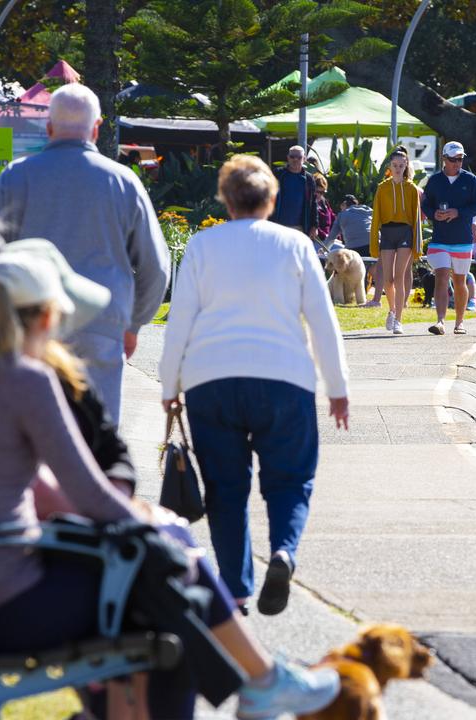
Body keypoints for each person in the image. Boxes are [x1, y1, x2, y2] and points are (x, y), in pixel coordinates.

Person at [0, 250, 341, 720]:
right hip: (14, 604)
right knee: (173, 600)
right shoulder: (27, 379)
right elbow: (89, 496)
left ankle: (264, 684)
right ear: (47, 316)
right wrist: (158, 521)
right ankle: (264, 684)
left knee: (169, 579)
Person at [160, 154, 350, 618]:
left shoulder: (203, 246)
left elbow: (179, 319)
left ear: (225, 199)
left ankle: (237, 588)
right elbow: (323, 322)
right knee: (290, 480)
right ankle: (283, 550)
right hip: (284, 379)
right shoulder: (295, 245)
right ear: (272, 198)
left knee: (226, 489)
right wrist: (337, 388)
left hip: (212, 381)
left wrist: (170, 385)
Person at [0, 83, 171, 419]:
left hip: (31, 325)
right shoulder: (124, 182)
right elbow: (156, 266)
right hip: (102, 324)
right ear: (96, 129)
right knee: (96, 441)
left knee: (33, 436)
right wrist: (133, 324)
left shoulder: (15, 177)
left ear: (49, 127)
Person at [420, 141, 476, 335]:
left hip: (462, 239)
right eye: (453, 159)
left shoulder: (470, 180)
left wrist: (458, 212)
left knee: (459, 280)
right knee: (440, 276)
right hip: (440, 239)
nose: (457, 163)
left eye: (460, 159)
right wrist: (434, 214)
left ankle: (460, 322)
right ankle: (440, 321)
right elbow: (426, 205)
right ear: (444, 159)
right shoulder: (435, 181)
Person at [368, 148, 423, 334]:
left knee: (399, 277)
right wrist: (374, 242)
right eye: (394, 165)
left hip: (405, 233)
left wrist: (417, 245)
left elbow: (416, 219)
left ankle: (399, 319)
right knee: (387, 280)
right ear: (389, 166)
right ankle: (391, 310)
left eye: (401, 165)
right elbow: (376, 217)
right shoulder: (382, 188)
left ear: (406, 165)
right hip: (388, 233)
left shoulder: (411, 189)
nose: (398, 169)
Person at [269, 145, 317, 240]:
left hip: (300, 227)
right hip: (277, 225)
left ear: (304, 159)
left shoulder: (309, 179)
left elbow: (313, 203)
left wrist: (314, 226)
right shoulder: (278, 174)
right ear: (288, 157)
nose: (295, 159)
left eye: (299, 157)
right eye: (292, 156)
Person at [311, 173, 335, 246]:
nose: (319, 195)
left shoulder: (324, 202)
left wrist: (336, 236)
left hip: (327, 241)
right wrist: (326, 237)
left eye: (322, 192)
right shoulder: (308, 204)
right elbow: (311, 225)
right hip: (315, 241)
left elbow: (333, 219)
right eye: (317, 191)